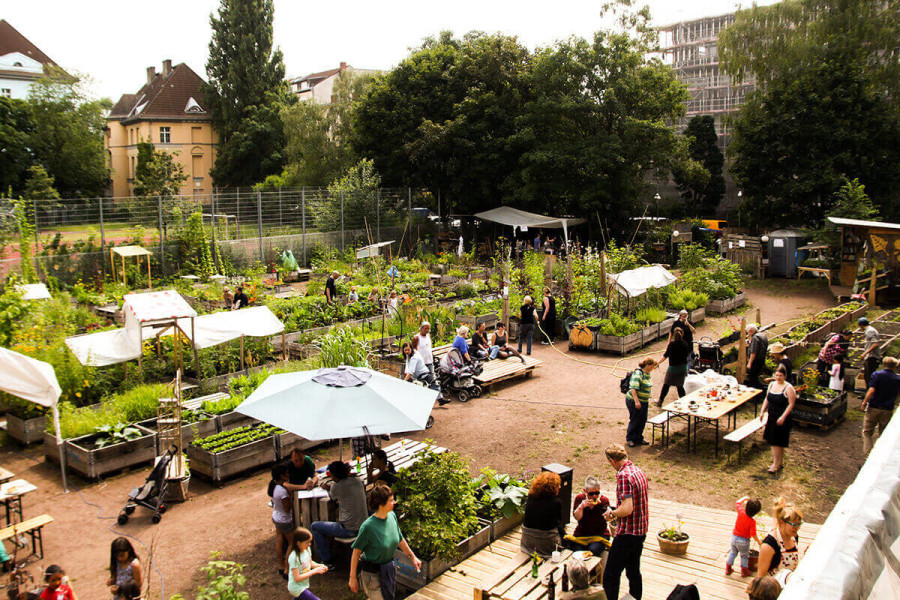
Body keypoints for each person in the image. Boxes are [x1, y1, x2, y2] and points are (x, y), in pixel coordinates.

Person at [350, 484, 421, 600]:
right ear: (381, 504)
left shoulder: (392, 516)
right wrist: (352, 578)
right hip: (372, 574)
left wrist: (413, 557)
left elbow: (399, 539)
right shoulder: (368, 527)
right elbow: (356, 552)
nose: (394, 502)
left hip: (387, 572)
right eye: (391, 500)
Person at [602, 444, 649, 600]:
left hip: (627, 533)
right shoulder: (638, 471)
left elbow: (627, 509)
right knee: (633, 571)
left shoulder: (623, 476)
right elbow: (635, 503)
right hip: (641, 531)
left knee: (611, 575)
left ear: (612, 461)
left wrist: (612, 514)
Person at [311, 460, 368, 570]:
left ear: (334, 475)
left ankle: (327, 561)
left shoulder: (337, 487)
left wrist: (329, 487)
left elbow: (333, 496)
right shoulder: (357, 481)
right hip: (364, 526)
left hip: (349, 529)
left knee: (315, 526)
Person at [759, 364, 796, 474]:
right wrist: (762, 411)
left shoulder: (788, 388)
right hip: (771, 416)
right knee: (773, 441)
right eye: (776, 375)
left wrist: (783, 417)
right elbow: (767, 399)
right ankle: (779, 462)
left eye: (780, 375)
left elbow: (791, 404)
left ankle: (775, 465)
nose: (778, 378)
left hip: (782, 418)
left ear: (785, 376)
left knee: (777, 442)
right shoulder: (771, 385)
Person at [756, 498, 802, 585]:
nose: (798, 528)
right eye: (794, 524)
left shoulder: (794, 537)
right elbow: (760, 578)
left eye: (799, 524)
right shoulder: (769, 545)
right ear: (781, 522)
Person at [861, 356, 900, 453]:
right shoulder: (897, 379)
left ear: (884, 364)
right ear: (895, 366)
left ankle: (868, 453)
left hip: (874, 406)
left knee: (867, 432)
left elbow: (871, 390)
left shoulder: (877, 374)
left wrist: (864, 402)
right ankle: (880, 454)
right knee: (883, 434)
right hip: (887, 409)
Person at [520, 472, 563, 558]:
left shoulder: (531, 498)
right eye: (558, 486)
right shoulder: (556, 502)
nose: (559, 487)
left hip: (527, 542)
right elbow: (559, 520)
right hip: (546, 544)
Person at [565, 476, 610, 556]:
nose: (594, 496)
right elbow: (577, 517)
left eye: (597, 493)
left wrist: (610, 513)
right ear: (585, 491)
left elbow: (608, 518)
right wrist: (581, 507)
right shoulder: (580, 499)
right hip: (582, 533)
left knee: (593, 550)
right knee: (577, 551)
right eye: (591, 494)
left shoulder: (603, 500)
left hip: (599, 534)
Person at [269, 464, 295, 579]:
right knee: (291, 543)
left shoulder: (273, 486)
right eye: (287, 473)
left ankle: (281, 565)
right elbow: (287, 508)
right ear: (282, 475)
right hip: (285, 520)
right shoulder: (282, 491)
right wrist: (290, 496)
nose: (288, 475)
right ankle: (287, 569)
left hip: (276, 516)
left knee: (280, 541)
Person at [725, 496, 762, 577]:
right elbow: (753, 534)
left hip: (734, 538)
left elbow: (737, 503)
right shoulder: (752, 522)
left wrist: (745, 498)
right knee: (744, 556)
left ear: (746, 506)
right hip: (744, 541)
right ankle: (744, 571)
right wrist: (759, 541)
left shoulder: (741, 512)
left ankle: (728, 568)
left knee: (733, 553)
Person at [287, 527, 328, 600]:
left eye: (310, 541)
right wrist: (314, 571)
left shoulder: (307, 550)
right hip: (296, 588)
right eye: (307, 542)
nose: (309, 544)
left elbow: (310, 562)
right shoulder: (294, 557)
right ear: (298, 543)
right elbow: (297, 578)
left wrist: (319, 566)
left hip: (303, 585)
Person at [625, 358, 658, 447]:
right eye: (653, 366)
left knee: (643, 419)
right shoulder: (638, 374)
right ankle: (630, 438)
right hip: (635, 401)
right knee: (635, 419)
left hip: (644, 401)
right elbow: (633, 388)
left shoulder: (648, 374)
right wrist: (636, 401)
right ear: (648, 365)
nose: (653, 368)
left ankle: (639, 438)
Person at [658, 328, 691, 406]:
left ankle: (660, 401)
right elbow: (688, 355)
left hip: (673, 368)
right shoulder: (685, 344)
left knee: (666, 384)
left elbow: (665, 355)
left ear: (673, 335)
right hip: (683, 368)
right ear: (682, 334)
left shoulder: (672, 344)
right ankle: (684, 402)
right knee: (680, 386)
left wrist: (657, 363)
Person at [859, 317, 882, 388]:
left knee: (869, 376)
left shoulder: (870, 331)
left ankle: (870, 393)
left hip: (872, 357)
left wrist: (865, 353)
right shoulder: (870, 330)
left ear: (861, 325)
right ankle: (867, 392)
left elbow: (875, 344)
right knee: (867, 375)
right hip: (870, 356)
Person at [745, 324, 768, 389]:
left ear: (750, 331)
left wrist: (749, 363)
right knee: (757, 376)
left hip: (756, 361)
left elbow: (753, 352)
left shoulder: (755, 338)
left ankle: (759, 391)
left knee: (753, 378)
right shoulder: (762, 335)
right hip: (762, 359)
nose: (748, 334)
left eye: (747, 332)